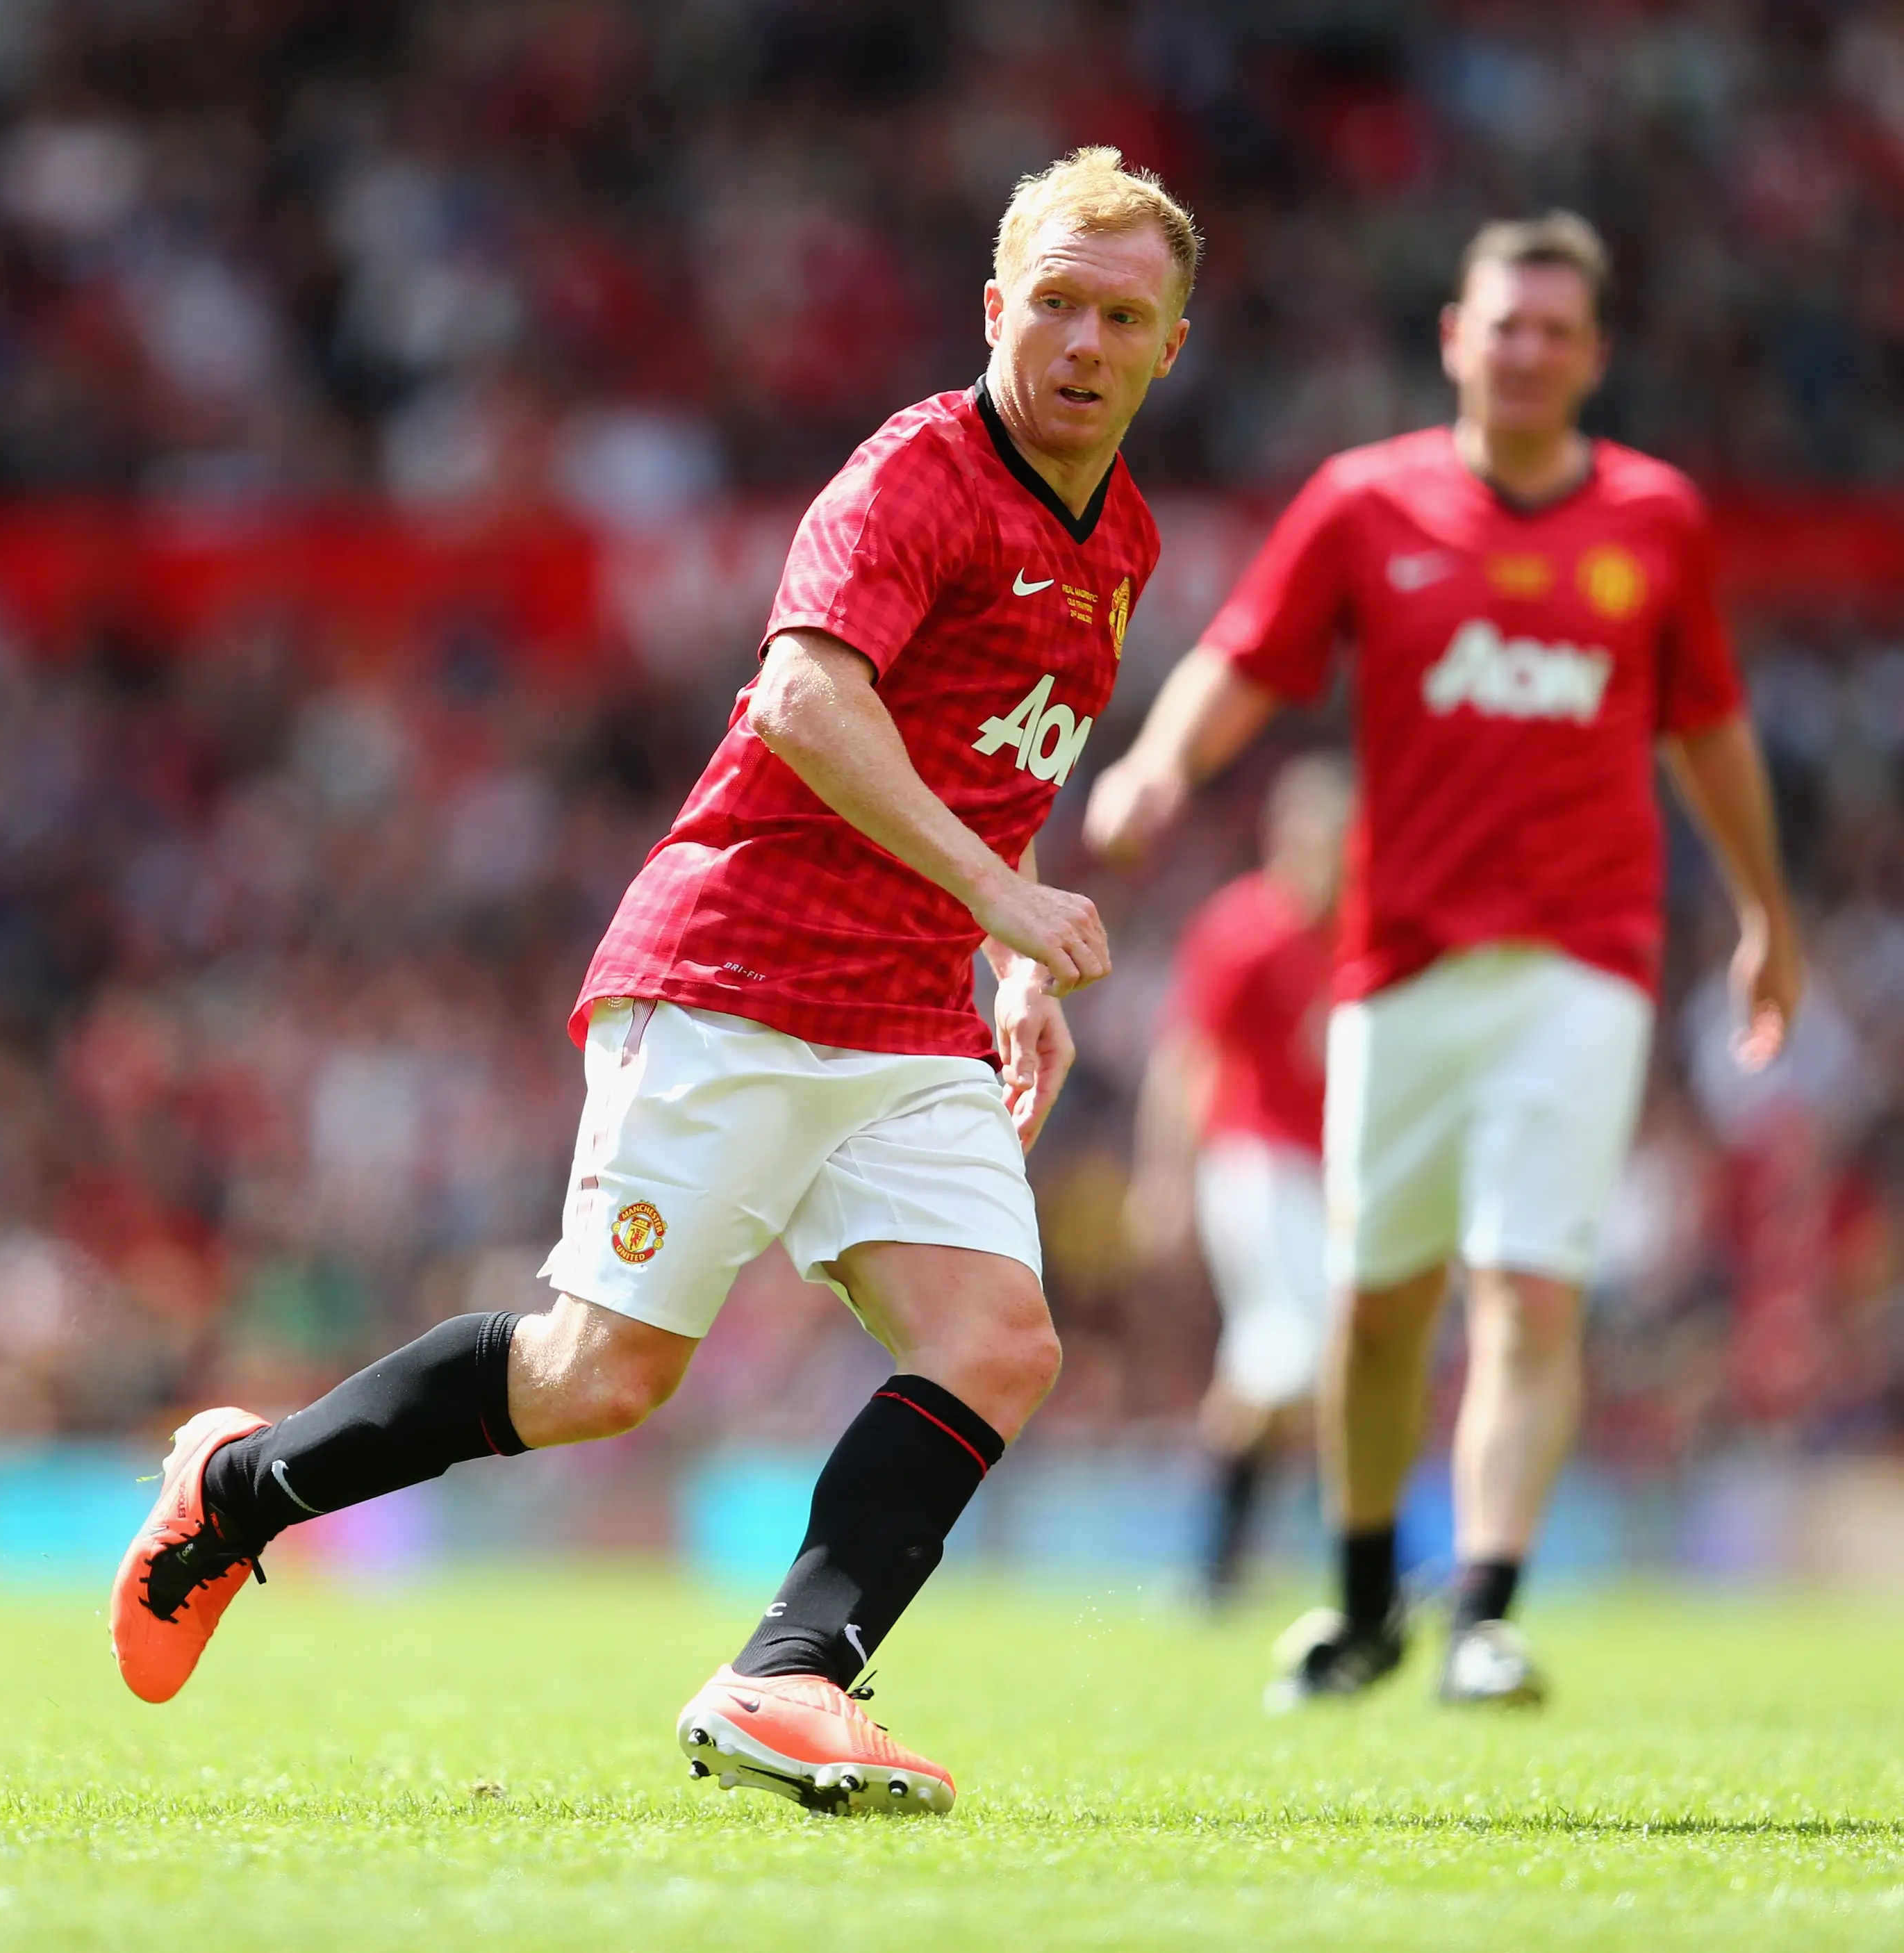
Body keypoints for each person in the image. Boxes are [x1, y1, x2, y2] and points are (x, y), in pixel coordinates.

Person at [108, 146, 1198, 1814]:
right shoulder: (912, 478)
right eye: (1053, 301)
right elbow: (801, 703)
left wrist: (1002, 935)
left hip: (907, 1006)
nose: (1082, 340)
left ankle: (787, 1674)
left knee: (996, 1338)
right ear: (995, 307)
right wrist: (998, 893)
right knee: (597, 1378)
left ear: (1167, 346)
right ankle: (236, 1488)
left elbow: (988, 762)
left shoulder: (1117, 533)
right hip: (738, 969)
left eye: (1122, 315)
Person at [1084, 211, 1800, 1710]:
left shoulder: (1656, 519)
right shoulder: (1366, 503)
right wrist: (1158, 764)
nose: (1529, 351)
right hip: (1397, 965)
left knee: (1531, 1291)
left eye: (1558, 330)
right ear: (1454, 340)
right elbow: (1247, 653)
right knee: (1377, 1303)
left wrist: (1762, 912)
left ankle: (1483, 1607)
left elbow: (1710, 728)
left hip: (1581, 959)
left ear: (1595, 357)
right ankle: (1358, 1606)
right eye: (1505, 325)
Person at [1125, 752, 1350, 1606]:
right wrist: (1164, 1176)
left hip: (1323, 1177)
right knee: (1308, 1349)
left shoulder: (1355, 932)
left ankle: (1215, 1564)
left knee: (1274, 1362)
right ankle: (1370, 1563)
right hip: (1251, 1166)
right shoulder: (1244, 930)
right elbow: (1187, 1058)